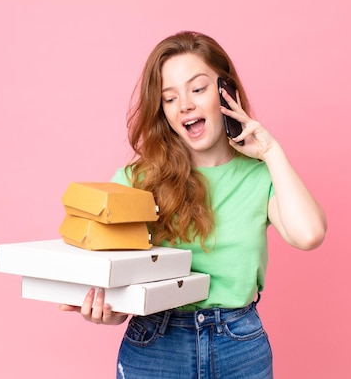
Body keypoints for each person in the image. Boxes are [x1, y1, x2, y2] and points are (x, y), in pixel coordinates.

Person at [60, 30, 327, 378]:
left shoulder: (261, 177)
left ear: (225, 93)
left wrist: (273, 153)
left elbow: (308, 234)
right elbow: (117, 275)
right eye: (169, 98)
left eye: (197, 89)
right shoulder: (136, 181)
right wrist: (111, 309)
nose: (184, 104)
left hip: (239, 346)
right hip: (156, 344)